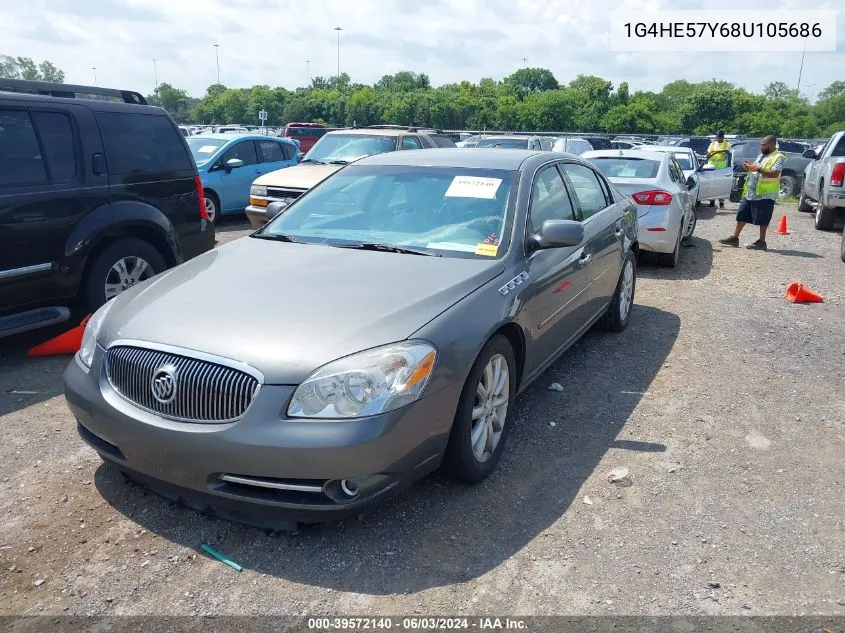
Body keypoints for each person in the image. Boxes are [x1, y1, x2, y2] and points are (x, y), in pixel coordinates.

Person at [718, 135, 786, 251]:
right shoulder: (761, 155)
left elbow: (775, 173)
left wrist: (757, 169)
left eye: (763, 145)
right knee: (742, 214)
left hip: (765, 193)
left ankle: (762, 242)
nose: (761, 147)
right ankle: (735, 238)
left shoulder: (779, 157)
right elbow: (756, 169)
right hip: (751, 191)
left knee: (763, 218)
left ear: (771, 145)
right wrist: (750, 167)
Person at [706, 130, 731, 209]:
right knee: (712, 184)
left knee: (721, 185)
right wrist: (710, 153)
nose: (719, 138)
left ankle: (721, 203)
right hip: (712, 165)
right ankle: (712, 202)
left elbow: (726, 151)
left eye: (720, 137)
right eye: (717, 137)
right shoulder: (712, 144)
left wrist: (716, 152)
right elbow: (708, 153)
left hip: (721, 167)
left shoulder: (727, 144)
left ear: (723, 137)